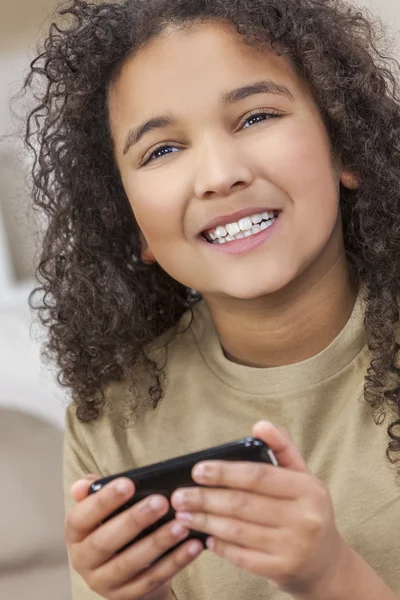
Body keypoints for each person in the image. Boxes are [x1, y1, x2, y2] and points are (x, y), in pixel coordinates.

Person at [23, 0, 400, 598]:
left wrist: (331, 576)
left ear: (345, 145)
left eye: (255, 117)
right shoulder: (112, 423)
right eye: (162, 150)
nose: (219, 175)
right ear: (132, 223)